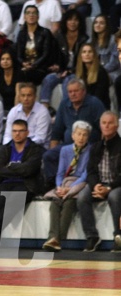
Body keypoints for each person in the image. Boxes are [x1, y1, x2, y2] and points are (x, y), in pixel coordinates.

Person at [0, 119, 43, 251]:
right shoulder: (5, 148)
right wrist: (19, 168)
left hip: (27, 184)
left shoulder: (35, 149)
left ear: (27, 132)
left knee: (15, 199)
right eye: (14, 131)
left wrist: (11, 167)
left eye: (21, 131)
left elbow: (29, 170)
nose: (17, 134)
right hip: (6, 182)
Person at [42, 77, 104, 191]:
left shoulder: (94, 103)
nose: (72, 94)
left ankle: (76, 185)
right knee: (48, 156)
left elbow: (103, 129)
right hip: (68, 146)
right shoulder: (64, 104)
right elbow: (57, 131)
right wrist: (53, 149)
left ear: (84, 91)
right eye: (70, 91)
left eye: (76, 91)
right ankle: (55, 186)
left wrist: (100, 149)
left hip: (89, 147)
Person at [41, 120, 91, 251]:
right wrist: (59, 187)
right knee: (55, 203)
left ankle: (57, 239)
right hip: (64, 183)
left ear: (88, 137)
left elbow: (85, 175)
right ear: (73, 135)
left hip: (80, 183)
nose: (81, 137)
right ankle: (53, 238)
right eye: (79, 134)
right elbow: (60, 173)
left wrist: (70, 188)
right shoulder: (65, 150)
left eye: (84, 135)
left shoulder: (91, 150)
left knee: (69, 203)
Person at [76, 111, 121, 253]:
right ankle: (92, 236)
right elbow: (91, 171)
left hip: (116, 185)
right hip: (100, 184)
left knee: (114, 197)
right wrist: (96, 185)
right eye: (104, 123)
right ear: (100, 125)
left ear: (117, 125)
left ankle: (118, 236)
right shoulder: (96, 147)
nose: (106, 126)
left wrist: (108, 188)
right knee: (82, 196)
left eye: (110, 123)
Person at [39, 8, 87, 111]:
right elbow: (56, 56)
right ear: (65, 22)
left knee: (68, 82)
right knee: (48, 79)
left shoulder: (84, 39)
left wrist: (70, 71)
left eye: (75, 20)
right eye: (70, 20)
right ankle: (44, 110)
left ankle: (67, 110)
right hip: (62, 70)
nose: (72, 23)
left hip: (76, 71)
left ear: (80, 22)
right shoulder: (59, 37)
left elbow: (83, 62)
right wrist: (58, 67)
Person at [3, 81, 51, 148]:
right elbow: (8, 135)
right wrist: (9, 147)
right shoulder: (14, 111)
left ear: (35, 97)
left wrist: (21, 145)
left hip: (36, 148)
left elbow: (40, 138)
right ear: (19, 97)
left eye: (29, 95)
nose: (26, 99)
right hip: (15, 146)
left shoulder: (43, 112)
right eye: (23, 95)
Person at [16, 5, 55, 86]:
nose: (31, 15)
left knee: (25, 75)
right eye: (28, 13)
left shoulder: (45, 32)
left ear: (38, 16)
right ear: (24, 17)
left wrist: (33, 65)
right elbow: (19, 54)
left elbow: (46, 54)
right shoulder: (21, 33)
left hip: (41, 67)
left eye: (34, 13)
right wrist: (23, 63)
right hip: (25, 67)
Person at [75, 43, 110, 109]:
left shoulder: (101, 72)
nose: (87, 54)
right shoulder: (80, 72)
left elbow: (98, 97)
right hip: (84, 106)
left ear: (94, 55)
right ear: (80, 55)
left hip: (98, 107)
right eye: (84, 52)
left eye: (90, 52)